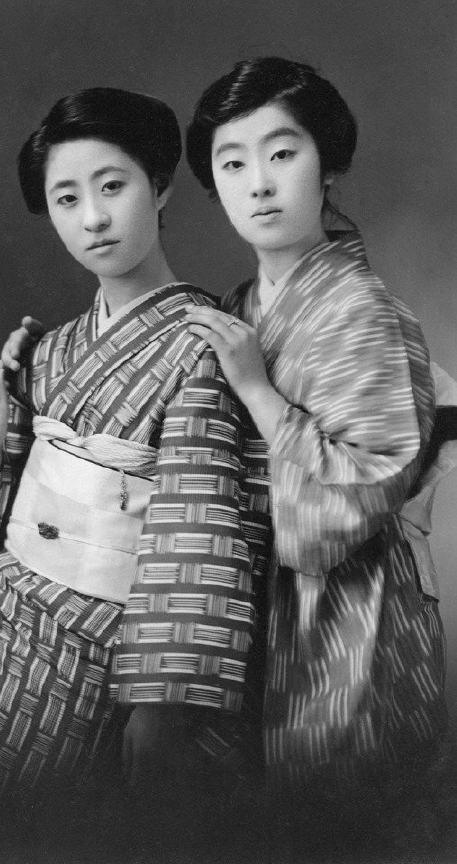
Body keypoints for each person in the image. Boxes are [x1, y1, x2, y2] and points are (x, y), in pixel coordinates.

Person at [0, 85, 271, 845]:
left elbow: (199, 536)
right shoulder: (49, 350)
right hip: (7, 636)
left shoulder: (205, 348)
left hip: (118, 655)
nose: (93, 218)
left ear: (161, 183)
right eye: (66, 198)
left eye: (112, 186)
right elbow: (13, 508)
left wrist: (162, 705)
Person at [184, 56, 456, 846]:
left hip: (348, 612)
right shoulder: (237, 310)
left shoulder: (361, 309)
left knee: (334, 823)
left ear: (328, 163)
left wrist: (261, 395)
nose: (258, 183)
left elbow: (363, 490)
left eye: (283, 152)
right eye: (231, 163)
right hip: (253, 603)